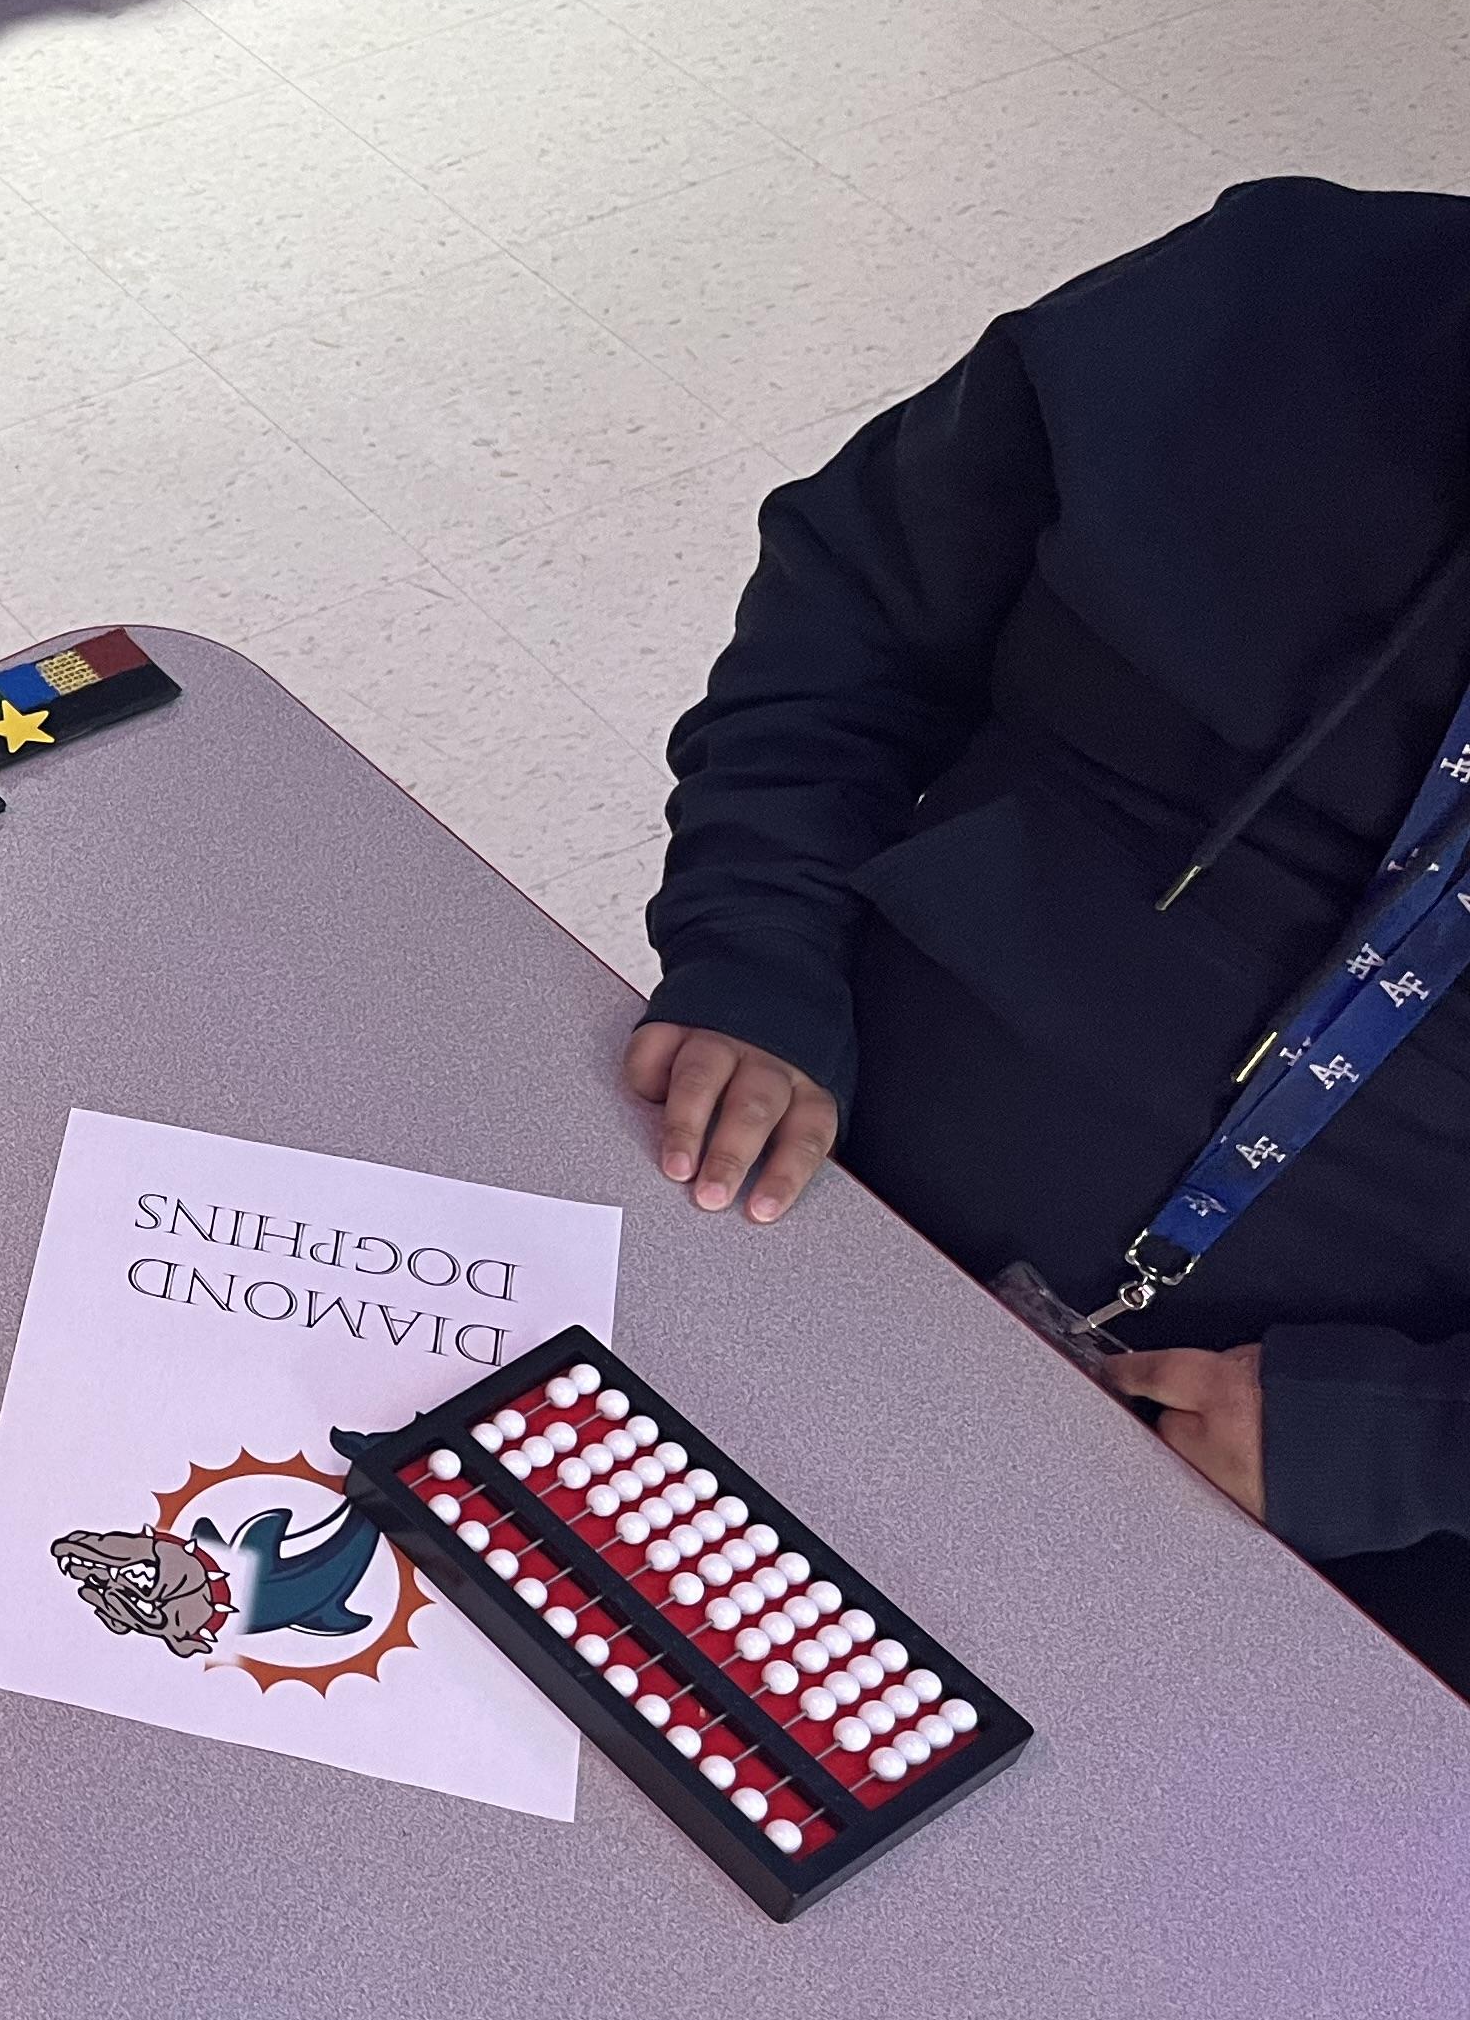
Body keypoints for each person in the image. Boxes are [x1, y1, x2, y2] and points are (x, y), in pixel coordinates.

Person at [626, 175, 1470, 1690]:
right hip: (786, 1197)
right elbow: (854, 616)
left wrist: (1415, 1446)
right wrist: (759, 948)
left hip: (1337, 1550)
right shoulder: (1276, 294)